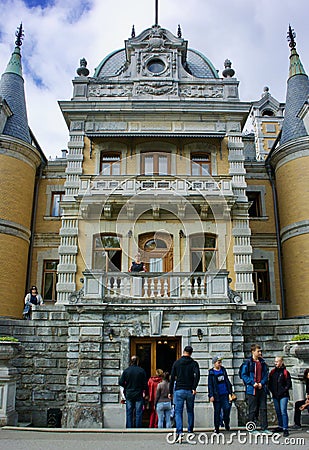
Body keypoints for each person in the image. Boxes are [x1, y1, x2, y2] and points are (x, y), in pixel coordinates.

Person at [168, 345, 200, 439]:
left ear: (183, 351)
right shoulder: (194, 363)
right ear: (191, 353)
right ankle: (190, 430)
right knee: (190, 410)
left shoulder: (177, 363)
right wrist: (194, 387)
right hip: (190, 390)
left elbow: (172, 377)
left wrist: (170, 391)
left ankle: (179, 431)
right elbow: (197, 375)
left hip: (179, 389)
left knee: (178, 412)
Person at [240, 343, 272, 435]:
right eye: (258, 351)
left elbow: (266, 375)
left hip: (261, 389)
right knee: (252, 409)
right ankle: (251, 428)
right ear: (253, 352)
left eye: (260, 351)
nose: (260, 353)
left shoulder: (262, 363)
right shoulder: (248, 363)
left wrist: (262, 383)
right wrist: (252, 383)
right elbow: (244, 375)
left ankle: (264, 428)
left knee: (263, 408)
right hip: (252, 389)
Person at [119, 355, 148, 428]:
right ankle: (138, 427)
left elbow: (121, 382)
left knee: (129, 412)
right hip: (138, 393)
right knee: (138, 412)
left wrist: (126, 387)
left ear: (131, 362)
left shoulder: (126, 371)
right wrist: (145, 392)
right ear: (137, 361)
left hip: (129, 393)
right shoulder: (141, 371)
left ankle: (129, 427)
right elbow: (145, 384)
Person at [208, 356, 233, 433]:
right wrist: (211, 395)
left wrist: (230, 392)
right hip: (216, 395)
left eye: (220, 362)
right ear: (214, 363)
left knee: (227, 409)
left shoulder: (223, 370)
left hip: (225, 393)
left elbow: (227, 381)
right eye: (218, 362)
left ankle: (226, 423)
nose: (220, 364)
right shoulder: (211, 373)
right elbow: (210, 385)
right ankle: (216, 427)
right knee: (217, 411)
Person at [268, 356, 292, 437]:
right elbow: (270, 383)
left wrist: (283, 390)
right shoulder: (273, 372)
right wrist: (272, 391)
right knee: (278, 411)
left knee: (283, 411)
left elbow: (288, 384)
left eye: (277, 361)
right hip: (275, 395)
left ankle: (285, 428)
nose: (276, 363)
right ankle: (280, 426)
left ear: (281, 362)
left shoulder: (285, 372)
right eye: (275, 361)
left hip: (283, 395)